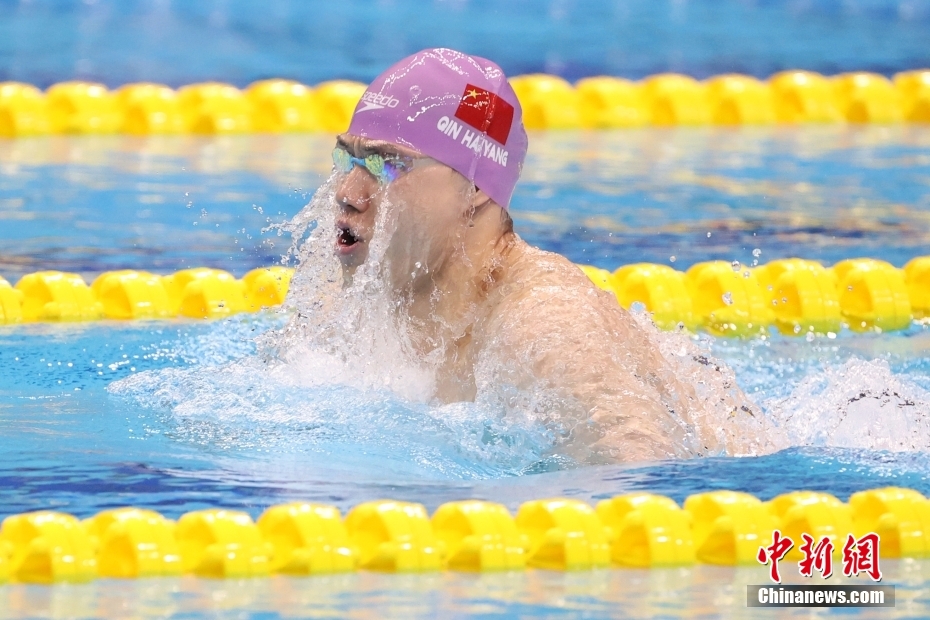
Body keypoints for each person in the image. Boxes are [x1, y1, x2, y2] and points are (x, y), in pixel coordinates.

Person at [327, 48, 769, 464]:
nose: (348, 194)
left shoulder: (543, 327)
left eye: (388, 165)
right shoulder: (338, 312)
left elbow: (644, 481)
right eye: (349, 159)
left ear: (476, 186)